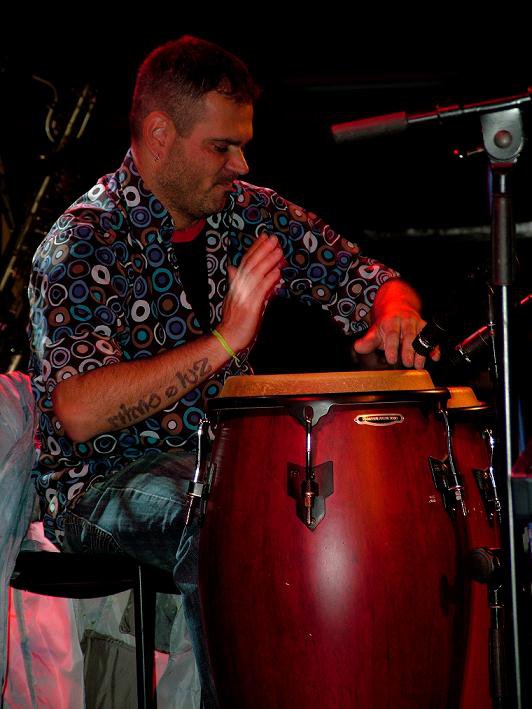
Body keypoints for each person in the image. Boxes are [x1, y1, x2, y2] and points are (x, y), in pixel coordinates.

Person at [27, 35, 435, 705]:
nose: (241, 164)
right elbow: (78, 411)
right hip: (99, 486)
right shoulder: (83, 241)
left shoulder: (247, 213)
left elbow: (368, 278)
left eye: (242, 146)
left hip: (213, 470)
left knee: (332, 508)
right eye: (222, 147)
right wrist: (225, 339)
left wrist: (395, 312)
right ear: (160, 135)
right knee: (227, 518)